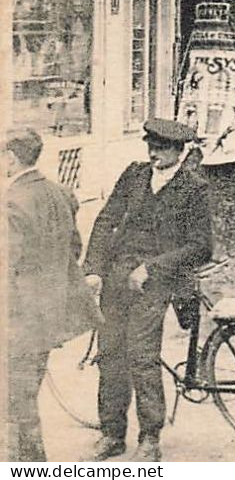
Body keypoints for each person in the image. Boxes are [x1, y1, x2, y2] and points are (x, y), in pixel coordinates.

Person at [84, 119, 212, 462]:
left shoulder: (193, 188)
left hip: (157, 281)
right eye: (150, 147)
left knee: (141, 356)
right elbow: (105, 219)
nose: (154, 154)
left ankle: (150, 437)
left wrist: (152, 268)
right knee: (110, 354)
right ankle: (111, 433)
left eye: (161, 149)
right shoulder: (135, 175)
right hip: (117, 276)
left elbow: (201, 247)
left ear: (179, 151)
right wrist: (94, 269)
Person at [7, 128, 96, 461]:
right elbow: (74, 248)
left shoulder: (12, 202)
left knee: (14, 407)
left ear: (11, 158)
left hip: (17, 320)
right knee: (25, 398)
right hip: (48, 318)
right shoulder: (60, 193)